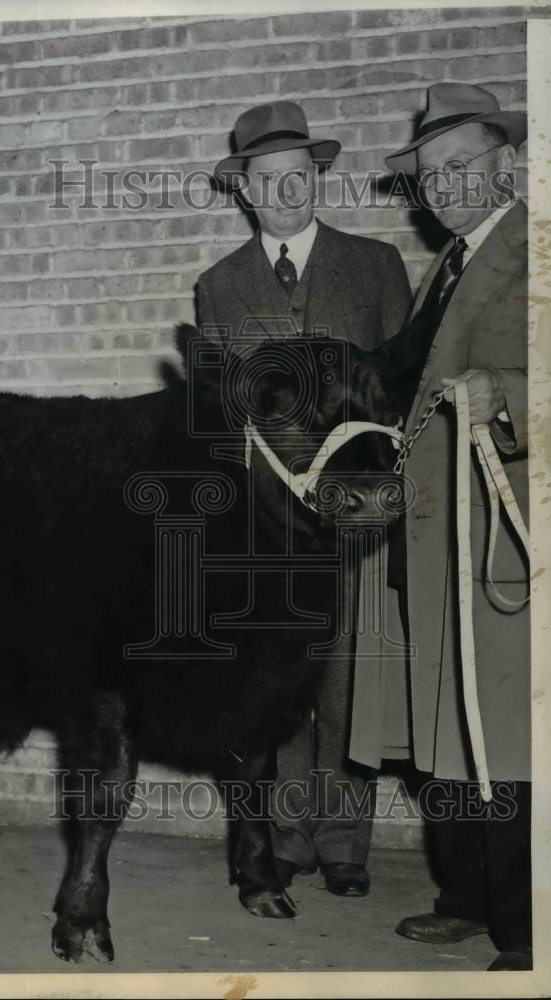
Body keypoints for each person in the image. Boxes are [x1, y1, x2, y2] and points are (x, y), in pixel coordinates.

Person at [197, 100, 412, 897]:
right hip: (273, 525)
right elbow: (223, 416)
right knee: (281, 680)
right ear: (245, 192)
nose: (285, 193)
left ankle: (344, 841)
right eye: (268, 181)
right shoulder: (218, 287)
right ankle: (285, 839)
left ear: (316, 179)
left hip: (355, 513)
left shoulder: (374, 266)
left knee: (349, 675)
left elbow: (398, 392)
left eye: (299, 176)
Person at [350, 82, 531, 970]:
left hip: (499, 535)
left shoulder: (532, 250)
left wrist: (506, 395)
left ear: (507, 166)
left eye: (461, 167)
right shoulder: (453, 260)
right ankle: (463, 897)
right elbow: (400, 374)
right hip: (434, 531)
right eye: (429, 176)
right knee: (445, 726)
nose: (445, 186)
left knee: (503, 730)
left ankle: (524, 931)